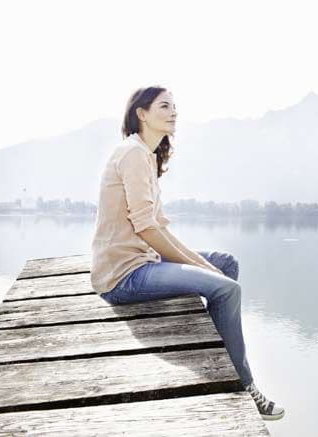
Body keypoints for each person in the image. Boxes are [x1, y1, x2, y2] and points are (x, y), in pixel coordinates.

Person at [90, 85, 285, 421]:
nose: (174, 112)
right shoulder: (133, 153)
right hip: (123, 276)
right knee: (227, 287)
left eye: (175, 107)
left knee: (226, 263)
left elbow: (159, 227)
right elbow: (146, 229)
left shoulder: (145, 156)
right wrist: (202, 268)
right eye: (165, 106)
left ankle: (213, 351)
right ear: (142, 113)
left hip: (143, 260)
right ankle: (244, 384)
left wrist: (203, 264)